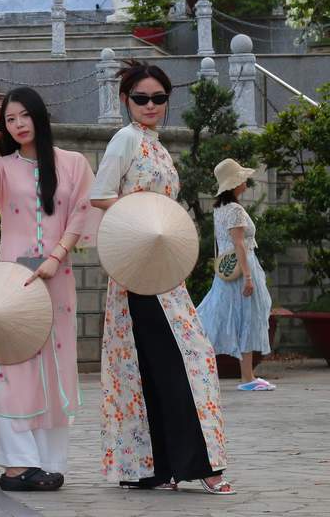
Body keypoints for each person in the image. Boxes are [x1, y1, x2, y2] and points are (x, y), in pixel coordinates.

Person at [90, 61, 234, 495]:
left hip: (164, 270)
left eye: (158, 98)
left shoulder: (156, 145)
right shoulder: (126, 138)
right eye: (141, 98)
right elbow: (99, 194)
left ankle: (156, 465)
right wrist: (138, 223)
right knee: (181, 360)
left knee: (168, 361)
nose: (150, 105)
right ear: (125, 100)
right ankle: (200, 464)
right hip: (138, 269)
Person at [0, 87, 96, 491]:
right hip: (13, 281)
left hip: (56, 280)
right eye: (9, 119)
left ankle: (48, 462)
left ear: (40, 116)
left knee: (54, 365)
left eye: (24, 116)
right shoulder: (0, 167)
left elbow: (82, 212)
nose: (17, 125)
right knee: (12, 367)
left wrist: (56, 256)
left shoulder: (72, 164)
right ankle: (16, 465)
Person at [197, 159, 275, 392]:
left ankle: (248, 376)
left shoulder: (220, 210)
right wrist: (249, 277)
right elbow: (239, 243)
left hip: (227, 270)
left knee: (225, 315)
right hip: (241, 269)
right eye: (241, 179)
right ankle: (247, 377)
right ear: (234, 184)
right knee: (247, 318)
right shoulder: (235, 210)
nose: (245, 182)